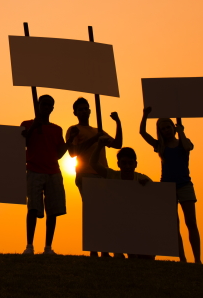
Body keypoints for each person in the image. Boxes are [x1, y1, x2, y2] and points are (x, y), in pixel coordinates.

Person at [21, 94, 81, 256]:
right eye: (44, 104)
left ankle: (48, 247)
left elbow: (59, 153)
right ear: (38, 105)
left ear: (52, 108)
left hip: (53, 171)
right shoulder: (26, 124)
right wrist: (34, 126)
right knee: (33, 208)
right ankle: (29, 245)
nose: (46, 107)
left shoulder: (56, 129)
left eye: (49, 105)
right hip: (34, 169)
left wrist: (70, 141)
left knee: (53, 210)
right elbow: (22, 143)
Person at [140, 107, 201, 264]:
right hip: (167, 187)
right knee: (174, 225)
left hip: (185, 185)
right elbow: (142, 133)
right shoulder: (160, 146)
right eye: (163, 128)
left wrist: (181, 131)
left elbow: (188, 147)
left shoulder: (183, 143)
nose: (166, 130)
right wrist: (145, 115)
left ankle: (198, 259)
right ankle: (182, 258)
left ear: (173, 127)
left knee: (191, 222)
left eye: (168, 127)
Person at [88, 123, 154, 260]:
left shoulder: (142, 178)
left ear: (136, 164)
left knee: (146, 257)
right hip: (117, 224)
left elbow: (154, 198)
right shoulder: (112, 175)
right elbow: (93, 164)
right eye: (124, 163)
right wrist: (99, 146)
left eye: (130, 163)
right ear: (118, 164)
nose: (128, 166)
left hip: (137, 225)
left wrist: (147, 186)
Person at [66, 97, 122, 257]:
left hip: (103, 174)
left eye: (86, 108)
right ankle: (94, 249)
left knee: (104, 212)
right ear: (75, 112)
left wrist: (118, 122)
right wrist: (94, 139)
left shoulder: (98, 131)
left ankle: (104, 249)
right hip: (86, 174)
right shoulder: (73, 129)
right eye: (81, 109)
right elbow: (73, 152)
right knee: (93, 211)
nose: (84, 111)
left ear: (90, 110)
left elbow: (118, 144)